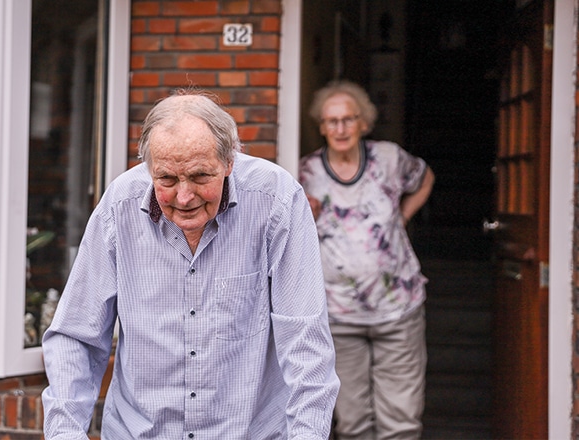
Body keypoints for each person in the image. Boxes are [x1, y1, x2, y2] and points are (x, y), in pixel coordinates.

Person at [42, 90, 340, 439]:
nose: (184, 197)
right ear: (148, 166)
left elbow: (306, 344)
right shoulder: (119, 207)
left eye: (200, 177)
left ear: (230, 161)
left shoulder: (276, 202)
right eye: (166, 179)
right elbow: (76, 336)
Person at [298, 80, 435, 440]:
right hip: (339, 315)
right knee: (353, 423)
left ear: (364, 122)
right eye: (332, 121)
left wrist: (402, 217)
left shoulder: (389, 158)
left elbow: (425, 178)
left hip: (398, 310)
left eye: (348, 119)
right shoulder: (306, 173)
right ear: (322, 127)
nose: (340, 128)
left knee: (401, 424)